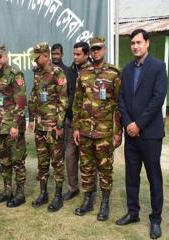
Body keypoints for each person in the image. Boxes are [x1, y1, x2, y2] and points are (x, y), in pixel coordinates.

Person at [116, 29, 167, 239]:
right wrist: (129, 123)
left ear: (147, 43)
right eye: (132, 43)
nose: (135, 46)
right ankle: (133, 212)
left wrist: (139, 124)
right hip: (131, 134)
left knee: (154, 177)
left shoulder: (158, 67)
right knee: (131, 176)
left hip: (150, 134)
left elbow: (158, 98)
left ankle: (155, 219)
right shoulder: (127, 70)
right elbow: (122, 100)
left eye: (139, 42)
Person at [72, 36, 122, 221]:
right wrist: (76, 127)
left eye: (98, 48)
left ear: (105, 49)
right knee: (85, 168)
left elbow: (119, 105)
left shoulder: (114, 74)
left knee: (105, 169)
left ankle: (105, 203)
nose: (95, 52)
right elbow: (77, 103)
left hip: (104, 133)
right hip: (85, 131)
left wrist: (118, 132)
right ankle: (88, 200)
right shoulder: (83, 74)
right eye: (93, 49)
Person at [28, 42, 68, 212]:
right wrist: (31, 118)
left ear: (45, 55)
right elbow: (34, 96)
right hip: (40, 127)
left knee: (57, 163)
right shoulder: (37, 73)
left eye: (37, 57)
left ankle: (58, 196)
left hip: (53, 127)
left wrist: (59, 125)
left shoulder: (58, 73)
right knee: (42, 162)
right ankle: (43, 193)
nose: (35, 61)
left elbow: (63, 100)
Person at [0, 45, 27, 208]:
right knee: (4, 161)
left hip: (12, 127)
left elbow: (21, 102)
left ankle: (20, 193)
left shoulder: (15, 74)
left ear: (6, 56)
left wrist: (16, 125)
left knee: (17, 161)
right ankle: (8, 190)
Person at [62, 42, 91, 201]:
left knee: (88, 160)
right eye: (74, 54)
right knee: (70, 156)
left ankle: (90, 191)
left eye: (78, 54)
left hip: (88, 123)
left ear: (87, 55)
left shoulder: (93, 71)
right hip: (71, 121)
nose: (75, 57)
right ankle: (73, 188)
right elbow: (66, 94)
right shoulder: (70, 71)